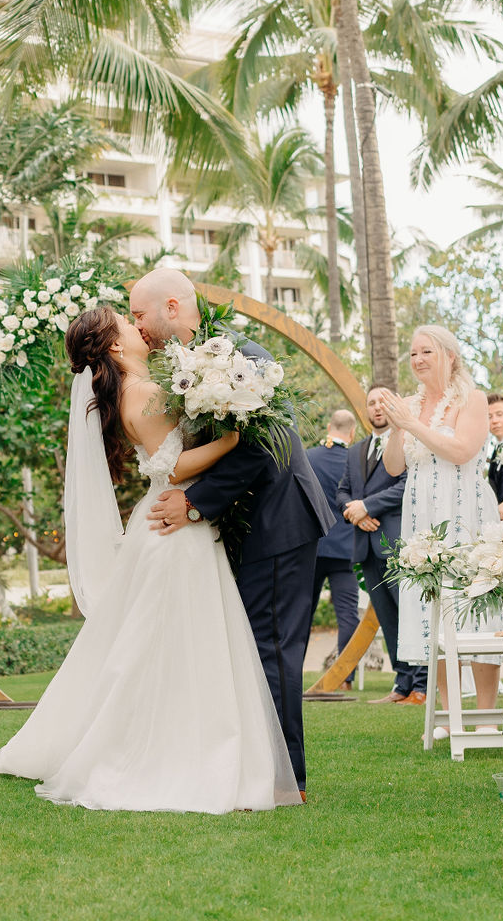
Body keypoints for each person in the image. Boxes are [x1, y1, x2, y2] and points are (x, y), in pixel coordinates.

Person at [0, 306, 302, 812]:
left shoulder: (134, 391)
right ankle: (168, 752)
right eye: (126, 323)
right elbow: (171, 465)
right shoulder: (146, 393)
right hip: (173, 528)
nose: (137, 329)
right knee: (180, 646)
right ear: (113, 345)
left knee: (164, 643)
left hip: (166, 523)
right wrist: (230, 440)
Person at [131, 269, 335, 797]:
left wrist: (195, 502)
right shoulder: (188, 363)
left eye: (138, 314)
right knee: (253, 649)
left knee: (270, 650)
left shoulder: (241, 357)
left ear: (171, 307)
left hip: (278, 520)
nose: (137, 326)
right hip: (249, 524)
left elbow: (267, 444)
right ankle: (258, 767)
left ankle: (286, 779)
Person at [380, 326, 501, 719]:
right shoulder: (410, 405)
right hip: (423, 516)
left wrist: (414, 426)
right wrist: (399, 426)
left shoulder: (474, 399)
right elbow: (394, 466)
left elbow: (463, 451)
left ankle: (484, 715)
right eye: (413, 353)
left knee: (478, 606)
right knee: (435, 609)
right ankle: (450, 716)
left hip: (466, 510)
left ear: (449, 355)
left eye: (426, 351)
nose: (417, 360)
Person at [337, 384, 413, 702]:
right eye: (371, 403)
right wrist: (354, 513)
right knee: (387, 616)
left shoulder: (407, 442)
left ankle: (421, 685)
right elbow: (342, 490)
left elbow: (406, 485)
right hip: (366, 545)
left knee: (408, 612)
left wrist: (368, 506)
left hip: (396, 541)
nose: (377, 407)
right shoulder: (355, 450)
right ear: (366, 410)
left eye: (383, 401)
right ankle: (402, 684)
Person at [307, 408, 359, 685]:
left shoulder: (308, 457)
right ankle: (345, 676)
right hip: (344, 548)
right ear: (352, 432)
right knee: (348, 614)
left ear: (329, 426)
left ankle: (292, 669)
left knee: (303, 610)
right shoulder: (355, 461)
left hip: (312, 546)